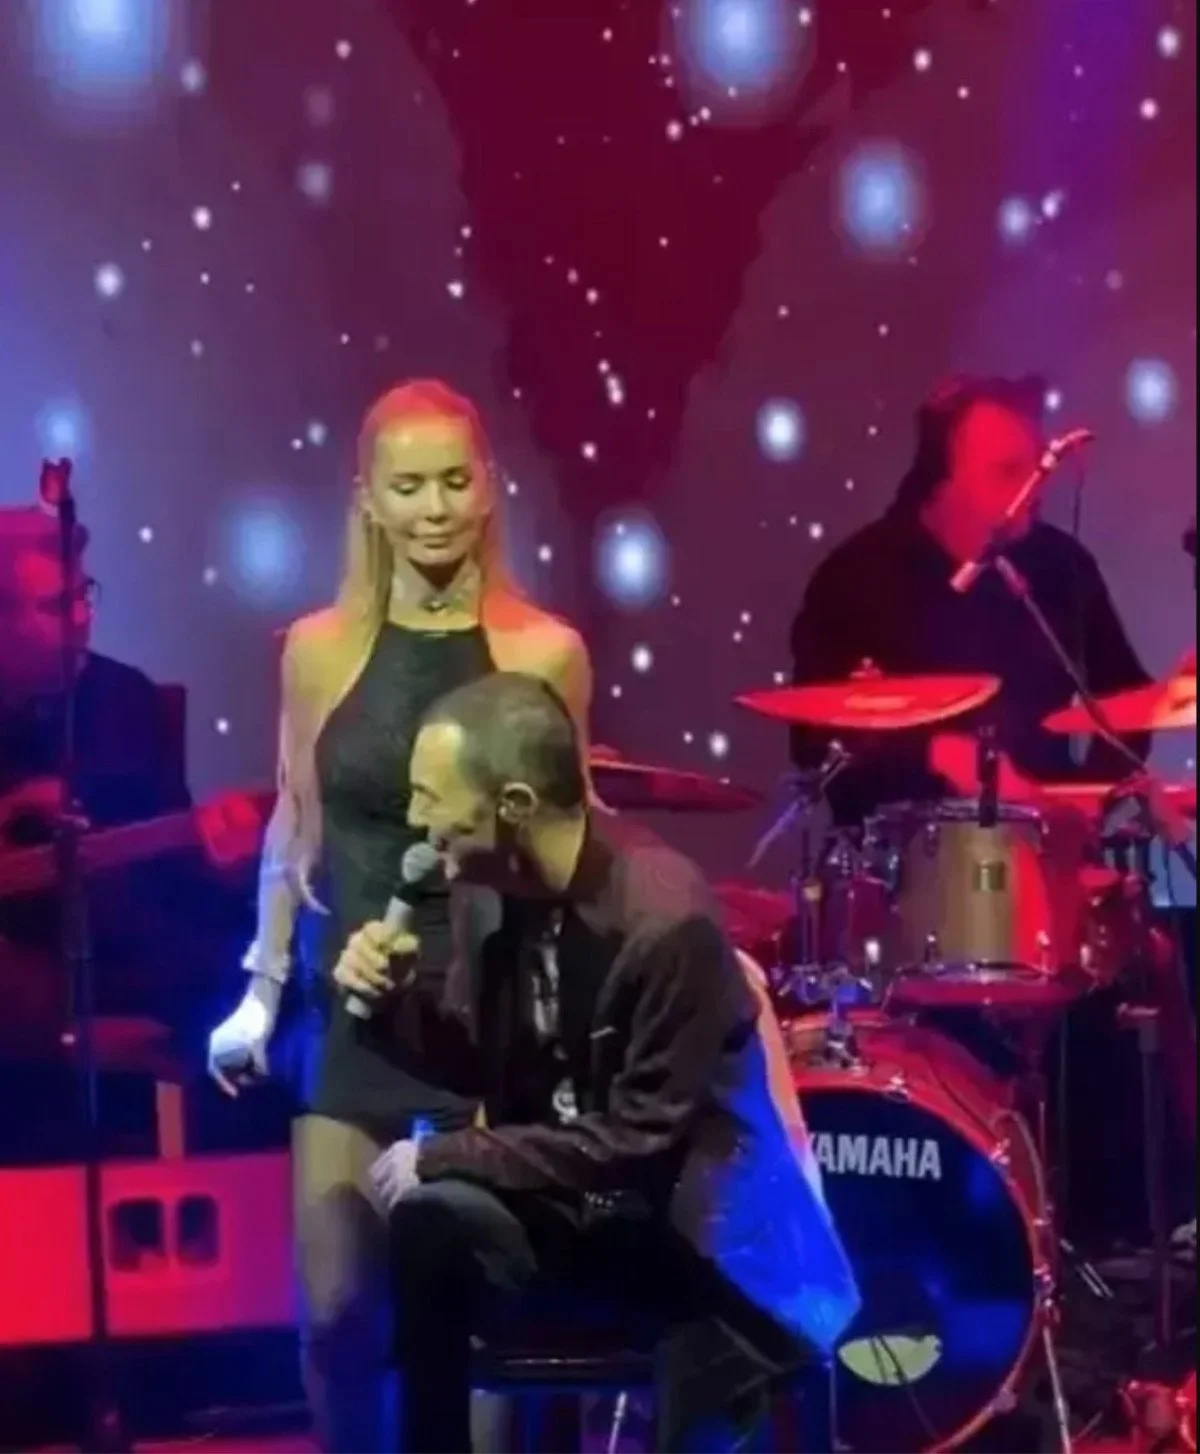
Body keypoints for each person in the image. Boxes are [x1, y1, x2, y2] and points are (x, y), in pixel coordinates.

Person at [206, 381, 596, 1452]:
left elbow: (569, 842)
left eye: (454, 481)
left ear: (489, 490)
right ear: (368, 499)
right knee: (336, 1310)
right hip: (352, 996)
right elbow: (296, 818)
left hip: (490, 1010)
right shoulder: (317, 648)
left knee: (483, 1329)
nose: (434, 508)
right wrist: (260, 987)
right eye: (409, 485)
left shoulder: (544, 650)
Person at [341, 672, 860, 1453]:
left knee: (701, 1396)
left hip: (695, 1242)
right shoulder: (489, 889)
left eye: (431, 797)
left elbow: (637, 1141)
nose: (415, 820)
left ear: (513, 806)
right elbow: (477, 1062)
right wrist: (390, 1005)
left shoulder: (665, 922)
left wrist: (447, 1153)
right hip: (574, 1212)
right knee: (430, 1228)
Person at [0, 505, 253, 1155]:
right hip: (22, 986)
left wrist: (226, 864)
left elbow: (175, 877)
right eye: (54, 606)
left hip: (119, 956)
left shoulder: (124, 699)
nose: (82, 617)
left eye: (83, 594)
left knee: (251, 955)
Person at [788, 374, 1152, 822]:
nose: (1033, 490)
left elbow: (1128, 701)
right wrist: (932, 753)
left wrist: (1085, 802)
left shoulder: (1063, 565)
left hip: (1042, 844)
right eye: (1007, 472)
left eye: (1037, 468)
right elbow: (810, 741)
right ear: (941, 479)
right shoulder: (856, 576)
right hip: (903, 852)